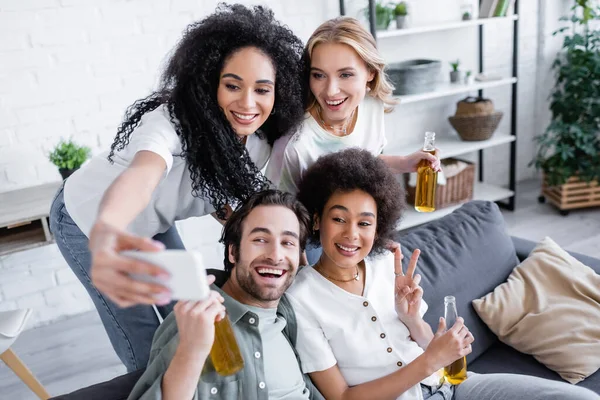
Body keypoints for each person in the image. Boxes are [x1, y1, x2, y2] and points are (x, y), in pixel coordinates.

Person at [48, 4, 305, 372]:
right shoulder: (170, 123)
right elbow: (142, 178)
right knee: (147, 345)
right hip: (88, 220)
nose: (248, 103)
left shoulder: (258, 144)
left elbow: (223, 198)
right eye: (232, 85)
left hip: (153, 222)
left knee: (198, 316)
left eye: (262, 89)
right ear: (209, 81)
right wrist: (105, 233)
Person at [286, 148, 598, 400]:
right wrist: (430, 361)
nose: (352, 234)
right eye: (339, 219)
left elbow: (427, 344)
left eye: (365, 223)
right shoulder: (301, 299)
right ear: (316, 220)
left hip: (455, 386)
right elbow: (341, 397)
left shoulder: (385, 263)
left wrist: (410, 319)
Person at [127, 190, 324, 400]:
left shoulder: (291, 313)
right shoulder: (199, 321)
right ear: (233, 252)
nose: (275, 256)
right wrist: (190, 351)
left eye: (288, 243)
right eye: (260, 239)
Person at [265, 16, 441, 197]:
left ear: (371, 72)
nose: (331, 91)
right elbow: (280, 213)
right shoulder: (295, 147)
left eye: (345, 75)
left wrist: (404, 163)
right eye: (319, 75)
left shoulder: (371, 105)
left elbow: (362, 165)